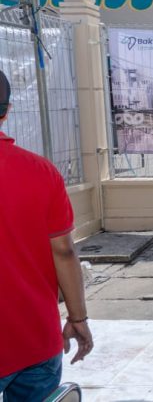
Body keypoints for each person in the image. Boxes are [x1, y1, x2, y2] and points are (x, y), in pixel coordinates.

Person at [0, 69, 93, 400]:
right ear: (7, 111)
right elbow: (64, 251)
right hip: (36, 339)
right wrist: (78, 317)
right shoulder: (42, 172)